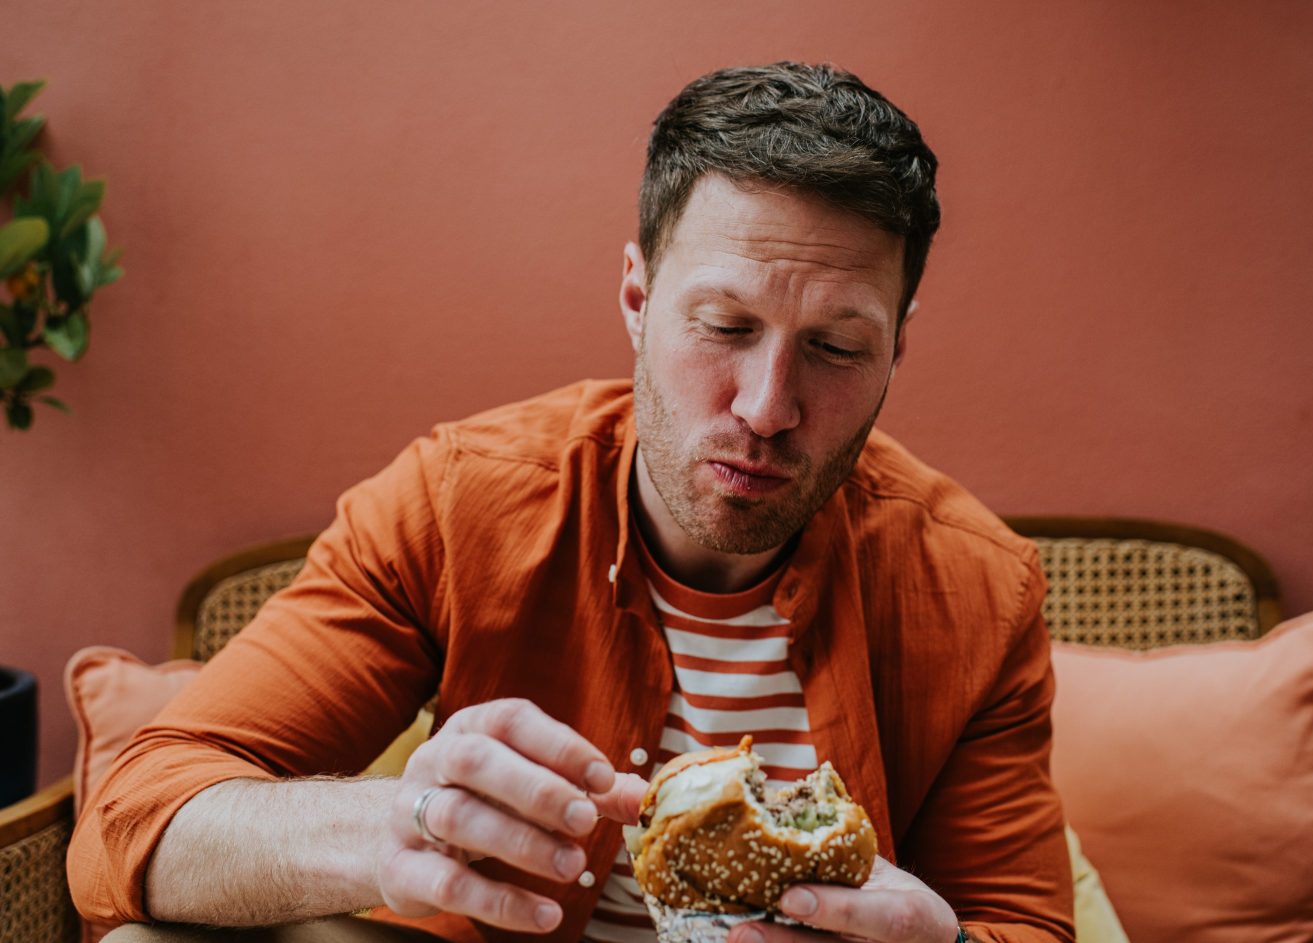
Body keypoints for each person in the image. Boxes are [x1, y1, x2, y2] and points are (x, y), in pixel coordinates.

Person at [69, 62, 1074, 943]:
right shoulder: (458, 503)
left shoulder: (978, 590)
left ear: (899, 344)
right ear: (636, 300)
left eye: (837, 347)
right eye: (724, 324)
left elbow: (1025, 920)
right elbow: (132, 821)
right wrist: (394, 825)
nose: (768, 408)